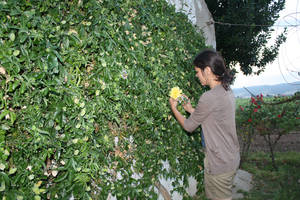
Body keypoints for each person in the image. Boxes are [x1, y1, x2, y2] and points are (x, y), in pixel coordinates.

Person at [169, 49, 240, 200]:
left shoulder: (209, 97)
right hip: (230, 157)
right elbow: (210, 118)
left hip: (219, 163)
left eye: (197, 71)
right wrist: (189, 109)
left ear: (207, 70)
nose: (196, 75)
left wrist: (174, 108)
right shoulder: (226, 91)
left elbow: (189, 126)